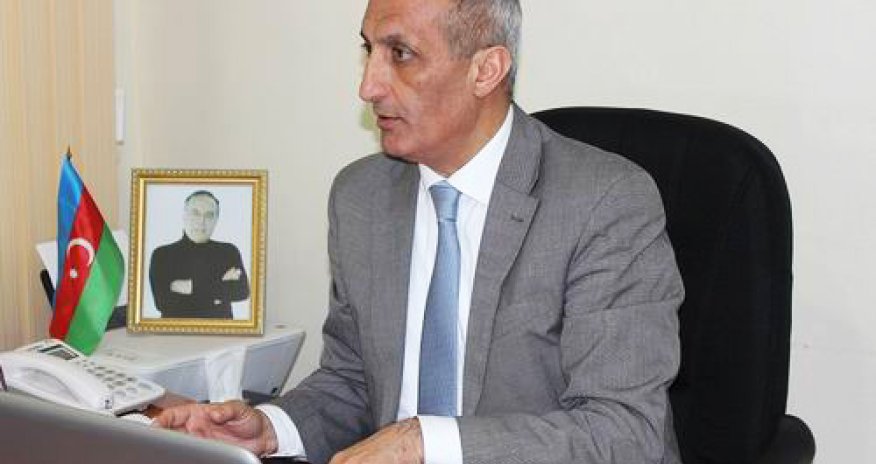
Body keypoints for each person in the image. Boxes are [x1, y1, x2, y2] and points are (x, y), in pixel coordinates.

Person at [155, 0, 684, 462]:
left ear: (486, 70)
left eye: (401, 54)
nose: (368, 86)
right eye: (369, 50)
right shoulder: (361, 197)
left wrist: (425, 443)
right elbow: (353, 381)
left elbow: (624, 433)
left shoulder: (604, 202)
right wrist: (272, 428)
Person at [149, 190, 249, 319]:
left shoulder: (228, 252)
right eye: (195, 213)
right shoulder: (162, 255)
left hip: (221, 330)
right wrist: (219, 290)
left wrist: (191, 287)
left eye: (209, 215)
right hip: (177, 331)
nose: (201, 221)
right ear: (184, 215)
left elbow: (242, 291)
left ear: (216, 220)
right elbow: (163, 303)